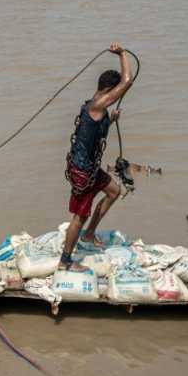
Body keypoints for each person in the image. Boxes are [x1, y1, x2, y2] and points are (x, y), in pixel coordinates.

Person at [59, 42, 133, 270]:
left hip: (88, 167)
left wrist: (111, 120)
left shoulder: (95, 104)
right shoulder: (99, 104)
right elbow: (127, 81)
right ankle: (65, 261)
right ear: (109, 91)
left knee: (114, 191)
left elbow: (93, 130)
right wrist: (122, 53)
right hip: (83, 171)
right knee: (79, 217)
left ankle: (89, 235)